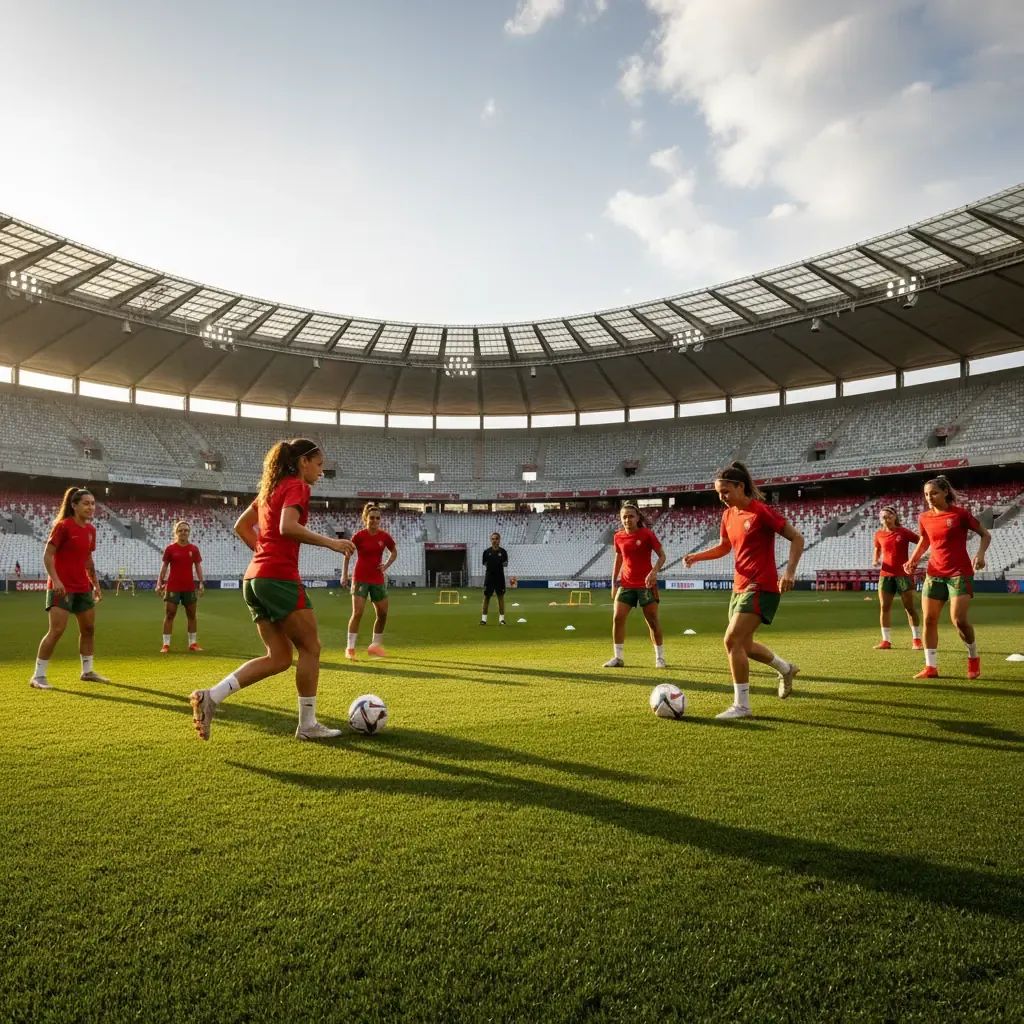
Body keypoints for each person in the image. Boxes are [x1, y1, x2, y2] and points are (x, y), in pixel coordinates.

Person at [188, 439, 355, 741]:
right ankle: (307, 725)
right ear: (303, 462)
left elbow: (241, 526)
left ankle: (210, 697)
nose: (321, 472)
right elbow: (286, 527)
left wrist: (262, 554)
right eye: (319, 465)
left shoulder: (269, 490)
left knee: (278, 657)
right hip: (278, 577)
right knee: (311, 648)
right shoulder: (297, 487)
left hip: (254, 579)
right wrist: (332, 542)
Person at [684, 463, 803, 719]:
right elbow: (724, 547)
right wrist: (698, 556)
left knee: (731, 641)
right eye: (718, 493)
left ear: (740, 486)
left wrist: (790, 573)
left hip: (762, 586)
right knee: (744, 645)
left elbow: (797, 538)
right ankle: (786, 668)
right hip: (738, 587)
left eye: (725, 491)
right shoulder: (728, 516)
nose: (721, 498)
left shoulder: (760, 512)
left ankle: (742, 706)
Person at [904, 475, 990, 680]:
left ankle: (973, 657)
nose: (929, 497)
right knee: (929, 619)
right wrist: (912, 559)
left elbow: (985, 534)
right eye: (926, 494)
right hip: (934, 574)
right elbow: (925, 540)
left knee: (958, 620)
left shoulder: (960, 514)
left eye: (933, 493)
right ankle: (930, 667)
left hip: (959, 573)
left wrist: (980, 554)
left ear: (945, 493)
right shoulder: (924, 517)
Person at [29, 486, 107, 690]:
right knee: (56, 630)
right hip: (61, 587)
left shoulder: (91, 530)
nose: (91, 507)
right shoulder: (63, 526)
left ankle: (88, 671)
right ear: (74, 505)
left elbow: (88, 559)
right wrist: (55, 580)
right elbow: (47, 555)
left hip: (82, 587)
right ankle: (38, 676)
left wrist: (95, 585)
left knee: (89, 629)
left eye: (92, 503)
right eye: (86, 503)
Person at [603, 503, 667, 669]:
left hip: (646, 584)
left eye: (631, 516)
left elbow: (662, 556)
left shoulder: (646, 534)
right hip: (626, 584)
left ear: (638, 518)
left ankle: (660, 658)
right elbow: (618, 559)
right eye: (624, 516)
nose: (627, 520)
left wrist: (653, 572)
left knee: (652, 621)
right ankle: (618, 658)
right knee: (617, 618)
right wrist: (613, 582)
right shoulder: (618, 537)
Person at [342, 503, 398, 659]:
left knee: (383, 613)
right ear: (366, 519)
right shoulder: (359, 536)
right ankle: (350, 649)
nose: (374, 520)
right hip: (360, 578)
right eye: (372, 518)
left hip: (377, 579)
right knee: (358, 612)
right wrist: (344, 574)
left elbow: (394, 552)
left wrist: (385, 565)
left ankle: (375, 646)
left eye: (377, 518)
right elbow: (347, 554)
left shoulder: (384, 536)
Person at [871, 506, 922, 650]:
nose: (885, 519)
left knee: (909, 608)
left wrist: (914, 559)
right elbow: (877, 549)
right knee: (884, 607)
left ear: (894, 517)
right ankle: (886, 641)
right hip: (885, 575)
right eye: (882, 517)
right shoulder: (879, 534)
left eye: (888, 516)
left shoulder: (903, 532)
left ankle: (916, 640)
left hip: (903, 575)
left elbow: (921, 541)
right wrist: (875, 560)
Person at [157, 520, 205, 653]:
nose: (183, 532)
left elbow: (198, 567)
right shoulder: (170, 549)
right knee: (170, 614)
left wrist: (201, 582)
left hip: (189, 587)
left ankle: (193, 643)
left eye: (186, 530)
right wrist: (159, 583)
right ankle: (166, 645)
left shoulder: (194, 549)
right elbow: (164, 567)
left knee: (192, 615)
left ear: (189, 533)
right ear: (176, 532)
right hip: (173, 586)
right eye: (180, 530)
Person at [480, 531, 509, 625]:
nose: (494, 541)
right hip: (489, 577)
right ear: (490, 540)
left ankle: (501, 619)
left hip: (500, 578)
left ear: (499, 540)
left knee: (500, 597)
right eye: (492, 539)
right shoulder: (486, 552)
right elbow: (485, 563)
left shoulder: (503, 552)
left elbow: (505, 564)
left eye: (496, 538)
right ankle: (483, 620)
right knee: (486, 597)